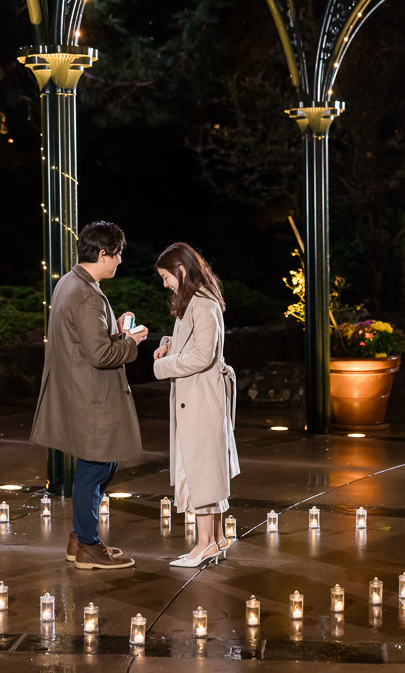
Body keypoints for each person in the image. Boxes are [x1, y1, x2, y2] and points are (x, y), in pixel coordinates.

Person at [30, 221, 148, 570]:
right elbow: (100, 355)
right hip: (92, 397)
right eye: (118, 255)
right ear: (103, 254)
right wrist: (131, 342)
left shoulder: (70, 283)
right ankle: (87, 545)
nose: (120, 262)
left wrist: (116, 327)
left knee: (97, 465)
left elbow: (86, 341)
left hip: (79, 393)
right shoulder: (86, 294)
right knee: (95, 468)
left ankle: (81, 538)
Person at [152, 242, 239, 568]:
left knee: (202, 470)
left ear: (182, 270)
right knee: (207, 468)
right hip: (202, 396)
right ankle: (215, 540)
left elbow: (203, 356)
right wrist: (169, 344)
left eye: (166, 277)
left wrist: (162, 367)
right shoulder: (200, 302)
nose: (165, 284)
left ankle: (204, 545)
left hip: (202, 398)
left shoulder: (201, 304)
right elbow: (197, 344)